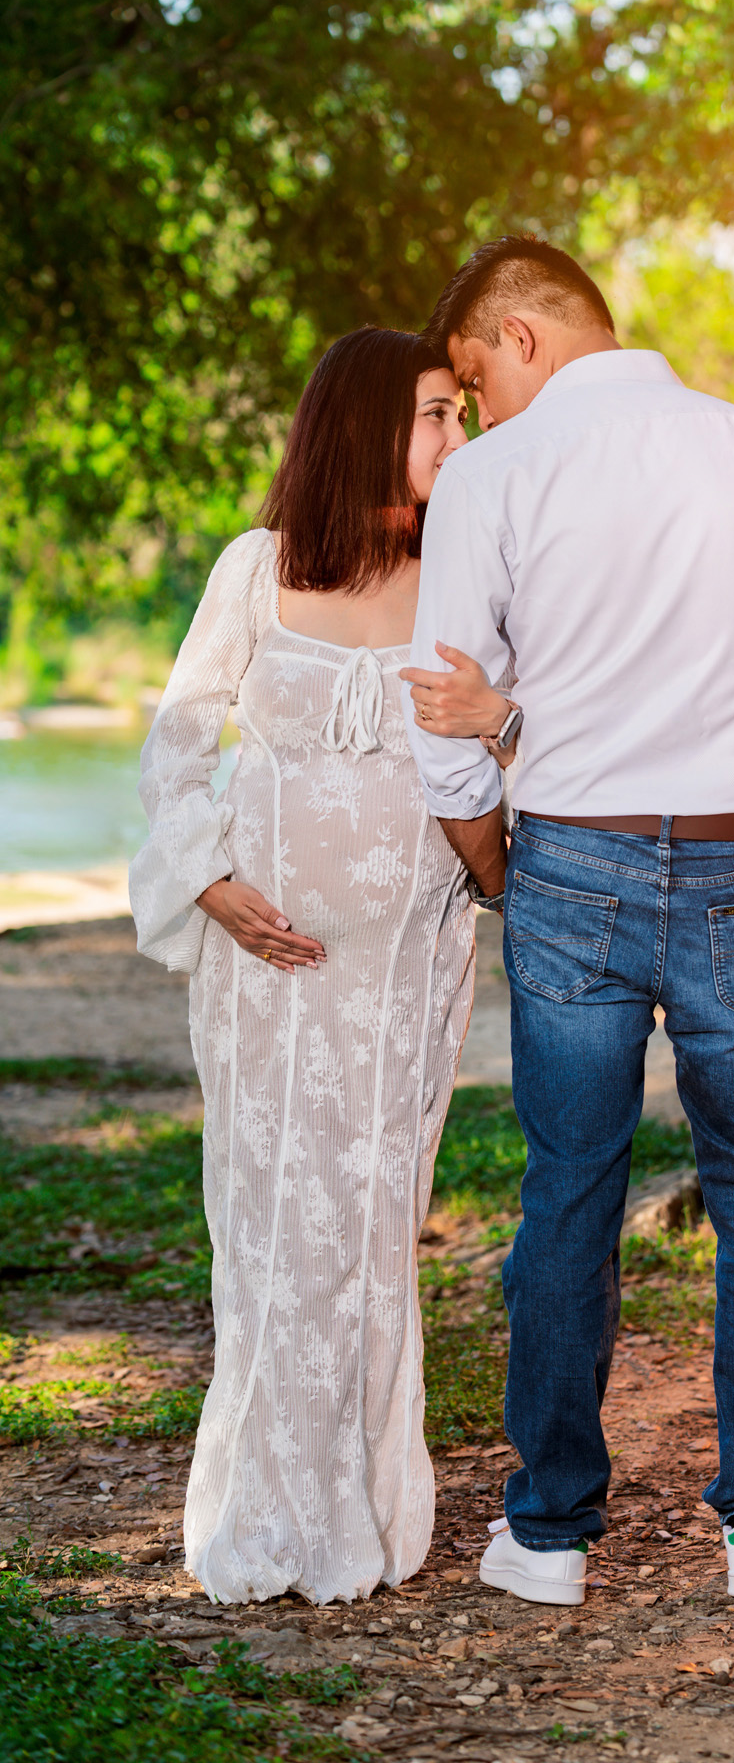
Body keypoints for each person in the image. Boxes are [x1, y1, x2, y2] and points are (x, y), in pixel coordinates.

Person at [401, 235, 734, 1608]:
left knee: (569, 1189)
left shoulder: (494, 474)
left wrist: (509, 872)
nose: (477, 409)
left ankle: (550, 1534)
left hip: (569, 861)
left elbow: (445, 729)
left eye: (476, 378)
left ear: (522, 336)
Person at [129, 327, 516, 1605]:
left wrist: (505, 730)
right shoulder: (257, 569)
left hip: (403, 972)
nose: (457, 437)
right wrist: (209, 883)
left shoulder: (469, 580)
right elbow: (178, 743)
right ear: (363, 423)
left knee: (371, 1223)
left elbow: (535, 751)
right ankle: (261, 1506)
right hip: (265, 973)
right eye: (435, 414)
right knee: (264, 1221)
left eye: (459, 414)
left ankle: (363, 1503)